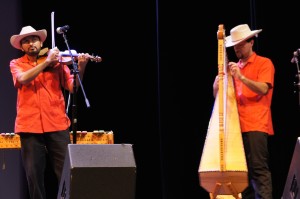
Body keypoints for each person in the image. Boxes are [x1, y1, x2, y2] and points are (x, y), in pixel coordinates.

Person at [9, 25, 91, 199]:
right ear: (21, 46)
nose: (31, 44)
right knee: (34, 175)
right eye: (26, 41)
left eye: (34, 39)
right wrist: (46, 63)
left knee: (65, 172)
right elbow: (22, 79)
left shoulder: (58, 62)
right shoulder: (17, 64)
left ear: (41, 42)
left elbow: (72, 87)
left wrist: (81, 67)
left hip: (57, 122)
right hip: (29, 125)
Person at [213, 24, 275, 199]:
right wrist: (216, 86)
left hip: (256, 125)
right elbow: (222, 98)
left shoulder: (264, 63)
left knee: (259, 173)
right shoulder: (233, 68)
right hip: (236, 129)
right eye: (235, 45)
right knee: (243, 178)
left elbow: (263, 89)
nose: (237, 48)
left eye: (241, 44)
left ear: (251, 42)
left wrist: (241, 77)